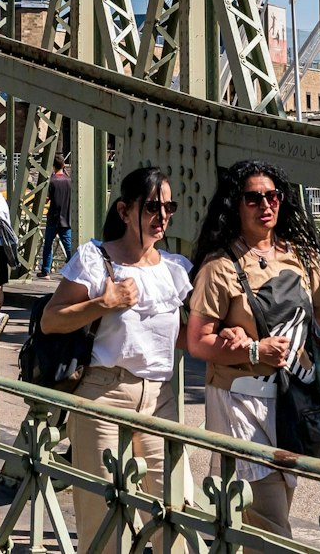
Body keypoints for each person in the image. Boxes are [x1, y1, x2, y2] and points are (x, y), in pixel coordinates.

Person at [185, 160, 320, 537]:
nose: (265, 205)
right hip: (241, 402)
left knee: (273, 509)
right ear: (236, 205)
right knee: (270, 519)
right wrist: (254, 351)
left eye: (273, 196)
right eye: (253, 198)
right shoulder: (219, 267)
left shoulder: (301, 256)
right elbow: (197, 341)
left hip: (291, 402)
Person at [39, 166, 191, 554]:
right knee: (104, 520)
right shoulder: (96, 259)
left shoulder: (175, 269)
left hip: (160, 399)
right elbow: (50, 320)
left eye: (169, 207)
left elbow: (183, 336)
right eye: (152, 207)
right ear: (124, 211)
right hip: (103, 396)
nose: (162, 216)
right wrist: (103, 304)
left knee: (175, 512)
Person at [42, 157, 73, 274]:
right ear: (64, 165)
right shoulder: (70, 181)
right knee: (69, 247)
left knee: (48, 245)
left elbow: (45, 200)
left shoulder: (52, 181)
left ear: (53, 166)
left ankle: (45, 271)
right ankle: (73, 270)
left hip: (53, 218)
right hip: (66, 218)